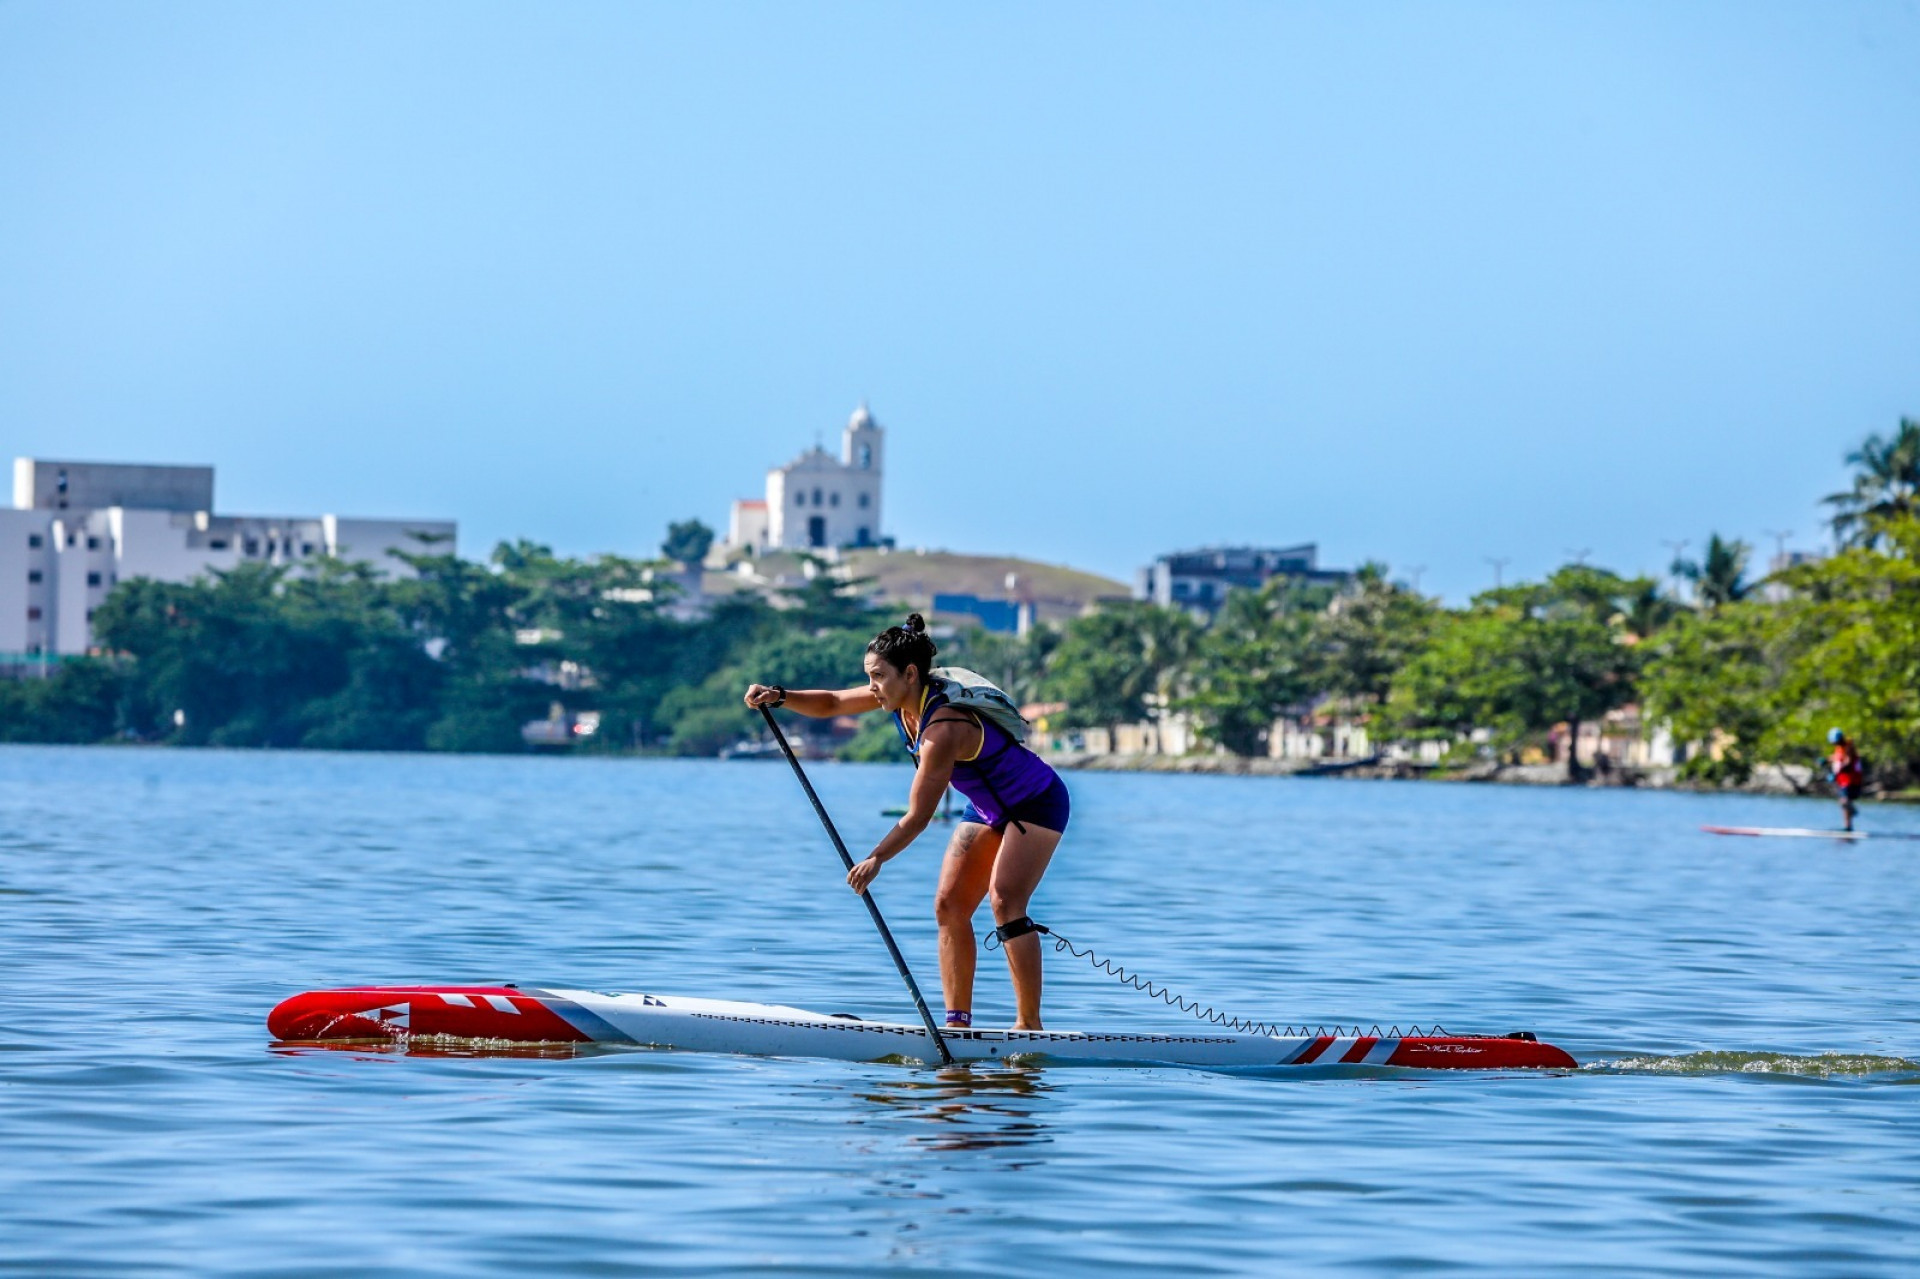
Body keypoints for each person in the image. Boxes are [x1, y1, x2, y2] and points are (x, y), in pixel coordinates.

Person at [744, 614, 1070, 1030]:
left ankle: (1029, 1027)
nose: (872, 687)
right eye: (870, 677)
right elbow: (832, 703)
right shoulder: (897, 698)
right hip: (986, 806)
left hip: (1035, 801)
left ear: (910, 674)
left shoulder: (943, 728)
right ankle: (958, 1025)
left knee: (1005, 902)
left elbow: (918, 817)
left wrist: (876, 858)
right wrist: (779, 696)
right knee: (949, 906)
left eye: (878, 676)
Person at [1826, 728, 1863, 832]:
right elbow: (1837, 757)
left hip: (1851, 780)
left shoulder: (1848, 747)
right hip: (1843, 781)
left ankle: (1852, 814)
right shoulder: (1839, 748)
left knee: (1844, 801)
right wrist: (1826, 760)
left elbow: (1848, 762)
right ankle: (1848, 826)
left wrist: (1836, 773)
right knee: (1845, 802)